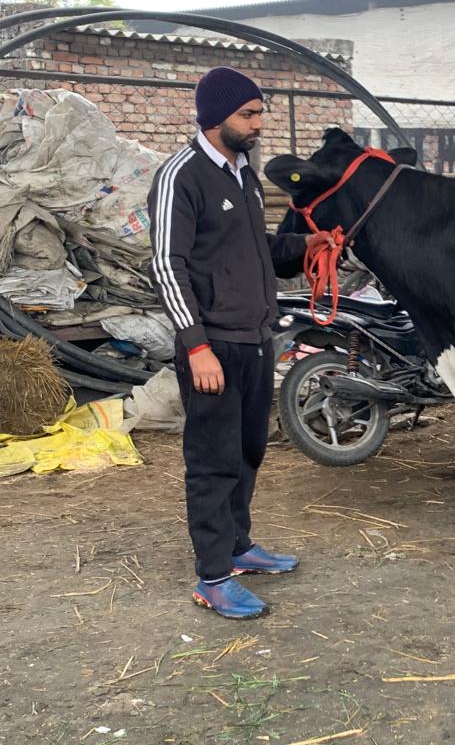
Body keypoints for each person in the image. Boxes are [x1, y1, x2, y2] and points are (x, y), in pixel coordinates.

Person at [147, 67, 331, 619]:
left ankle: (239, 546)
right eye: (247, 115)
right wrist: (195, 345)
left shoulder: (243, 175)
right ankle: (213, 575)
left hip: (255, 339)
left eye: (259, 114)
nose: (258, 125)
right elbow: (166, 263)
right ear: (214, 116)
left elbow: (257, 252)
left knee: (249, 450)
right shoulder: (182, 176)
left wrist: (306, 244)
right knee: (212, 460)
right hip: (214, 346)